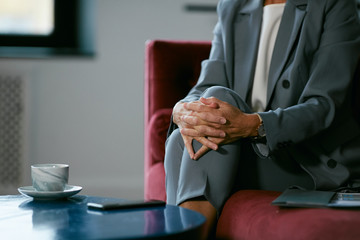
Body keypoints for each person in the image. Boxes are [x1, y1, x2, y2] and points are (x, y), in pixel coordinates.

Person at [164, 0, 360, 238]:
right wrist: (181, 110)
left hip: (305, 159)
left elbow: (324, 105)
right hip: (243, 151)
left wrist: (253, 126)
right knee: (179, 136)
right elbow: (205, 86)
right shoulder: (233, 6)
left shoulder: (334, 5)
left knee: (215, 103)